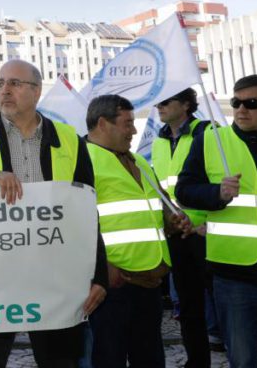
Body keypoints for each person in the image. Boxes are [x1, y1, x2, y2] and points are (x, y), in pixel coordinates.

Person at [0, 59, 108, 368]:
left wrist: (99, 276)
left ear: (37, 91)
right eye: (0, 83)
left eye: (15, 83)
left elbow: (85, 212)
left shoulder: (69, 139)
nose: (5, 90)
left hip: (54, 273)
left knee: (60, 362)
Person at [175, 74, 257, 368]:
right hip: (233, 274)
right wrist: (217, 194)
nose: (241, 109)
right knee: (242, 361)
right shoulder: (211, 141)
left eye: (252, 103)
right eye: (236, 102)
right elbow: (184, 190)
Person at [85, 94, 190, 368]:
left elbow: (158, 207)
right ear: (102, 124)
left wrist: (174, 220)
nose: (134, 130)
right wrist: (101, 269)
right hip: (112, 285)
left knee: (150, 358)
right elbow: (74, 224)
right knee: (109, 359)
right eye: (127, 123)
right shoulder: (82, 161)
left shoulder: (138, 161)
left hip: (149, 280)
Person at [151, 88, 212, 368]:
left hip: (206, 232)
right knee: (188, 307)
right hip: (177, 232)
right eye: (158, 102)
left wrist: (204, 222)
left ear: (186, 105)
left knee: (223, 304)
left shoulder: (208, 133)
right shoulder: (159, 141)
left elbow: (219, 181)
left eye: (166, 101)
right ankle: (196, 361)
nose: (159, 106)